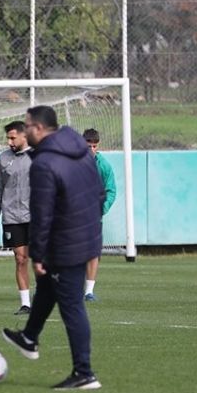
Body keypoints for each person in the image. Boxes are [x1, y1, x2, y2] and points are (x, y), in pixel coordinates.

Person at [2, 105, 104, 391]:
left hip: (66, 242)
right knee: (47, 287)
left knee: (71, 305)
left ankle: (84, 373)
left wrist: (39, 253)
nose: (23, 131)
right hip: (86, 233)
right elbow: (98, 191)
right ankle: (30, 337)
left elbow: (42, 212)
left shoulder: (44, 163)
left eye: (26, 126)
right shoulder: (80, 148)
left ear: (37, 128)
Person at [0, 121, 34, 314]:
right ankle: (25, 303)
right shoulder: (3, 159)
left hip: (37, 217)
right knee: (20, 258)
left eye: (13, 137)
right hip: (12, 217)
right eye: (8, 138)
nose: (9, 142)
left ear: (24, 136)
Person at [82, 128, 117, 302]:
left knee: (93, 253)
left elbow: (111, 191)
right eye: (88, 146)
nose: (91, 150)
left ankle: (89, 291)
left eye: (94, 146)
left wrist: (102, 208)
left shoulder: (103, 165)